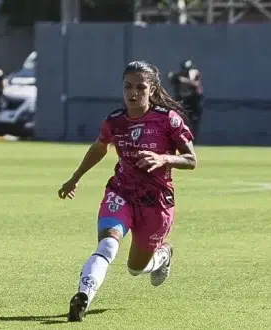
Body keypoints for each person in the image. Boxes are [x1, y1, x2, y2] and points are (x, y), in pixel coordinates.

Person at [58, 61, 198, 322]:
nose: (133, 93)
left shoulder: (168, 120)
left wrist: (164, 158)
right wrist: (75, 178)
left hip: (156, 202)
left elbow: (191, 160)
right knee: (108, 243)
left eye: (140, 87)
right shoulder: (115, 121)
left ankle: (163, 256)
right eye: (128, 86)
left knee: (136, 267)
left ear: (152, 89)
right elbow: (99, 148)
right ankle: (83, 297)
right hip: (121, 192)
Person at [168, 59, 203, 140]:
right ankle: (182, 137)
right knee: (182, 119)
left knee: (194, 120)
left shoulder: (194, 73)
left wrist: (184, 80)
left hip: (194, 101)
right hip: (184, 101)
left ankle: (192, 139)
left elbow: (196, 84)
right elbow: (173, 82)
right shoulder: (179, 76)